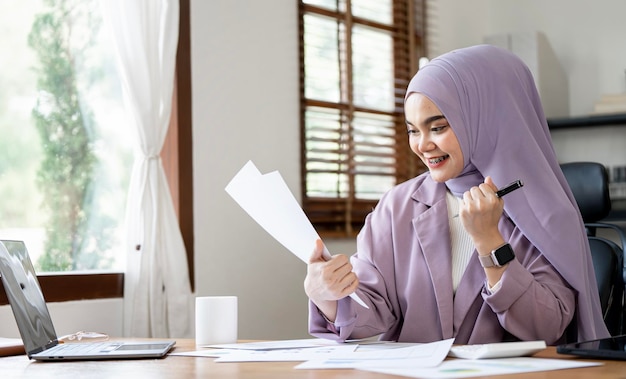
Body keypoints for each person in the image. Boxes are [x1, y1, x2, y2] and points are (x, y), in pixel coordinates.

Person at [304, 44, 609, 345]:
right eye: (413, 130)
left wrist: (491, 244)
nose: (422, 145)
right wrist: (328, 296)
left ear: (486, 120)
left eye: (437, 127)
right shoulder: (396, 207)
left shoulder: (546, 214)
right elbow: (371, 306)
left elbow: (548, 327)